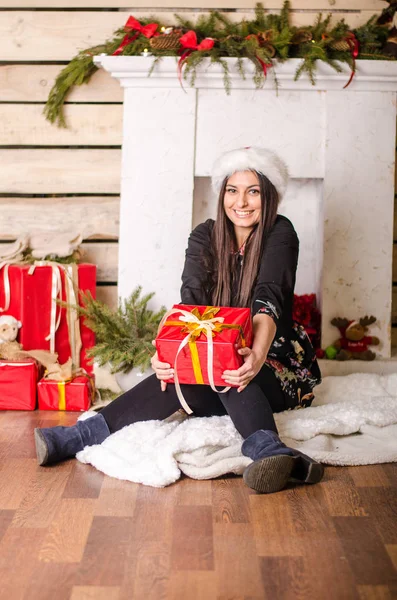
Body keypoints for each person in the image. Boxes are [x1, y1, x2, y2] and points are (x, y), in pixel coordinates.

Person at [34, 147, 323, 494]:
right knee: (187, 373)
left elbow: (269, 299)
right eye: (233, 190)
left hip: (275, 361)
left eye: (254, 191)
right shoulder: (205, 235)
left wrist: (256, 355)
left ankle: (268, 449)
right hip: (218, 354)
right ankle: (80, 435)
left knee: (226, 364)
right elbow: (190, 306)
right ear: (222, 194)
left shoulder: (280, 232)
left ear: (269, 195)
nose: (241, 202)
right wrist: (166, 355)